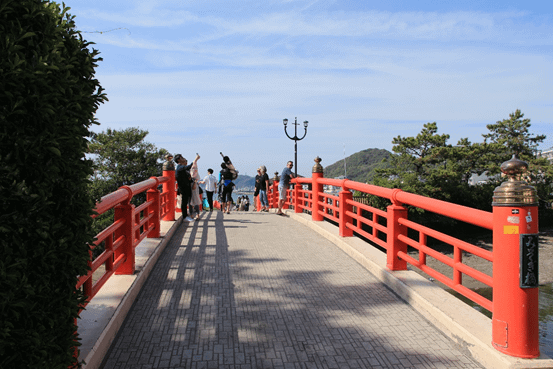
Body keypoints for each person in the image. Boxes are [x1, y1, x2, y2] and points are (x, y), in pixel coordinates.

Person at [174, 153, 199, 222]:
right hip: (183, 188)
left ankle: (186, 215)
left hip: (186, 187)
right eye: (181, 157)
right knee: (184, 202)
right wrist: (195, 160)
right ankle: (185, 217)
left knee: (186, 201)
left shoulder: (181, 167)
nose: (183, 158)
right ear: (178, 160)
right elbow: (188, 167)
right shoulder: (179, 167)